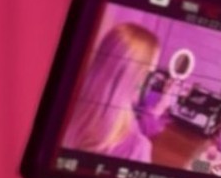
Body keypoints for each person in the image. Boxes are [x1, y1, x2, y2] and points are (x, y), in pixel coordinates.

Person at [63, 21, 163, 162]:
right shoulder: (137, 149)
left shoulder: (63, 108)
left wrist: (156, 111)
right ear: (137, 78)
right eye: (150, 73)